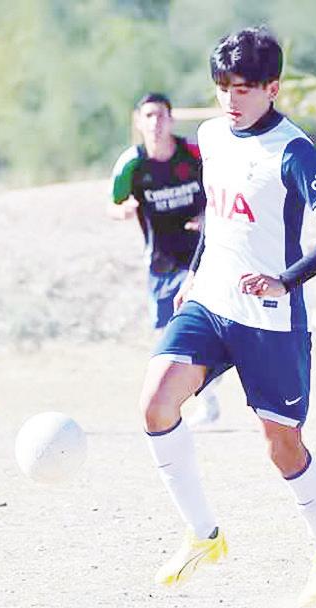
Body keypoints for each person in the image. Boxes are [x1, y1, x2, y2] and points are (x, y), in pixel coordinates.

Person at [138, 27, 316, 607]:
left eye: (243, 89)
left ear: (272, 88)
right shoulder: (211, 136)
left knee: (282, 447)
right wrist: (193, 276)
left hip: (269, 320)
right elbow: (218, 219)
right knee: (156, 403)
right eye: (222, 88)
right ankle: (203, 535)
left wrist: (286, 280)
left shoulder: (294, 151)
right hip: (211, 302)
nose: (230, 100)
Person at [109, 93, 220, 427]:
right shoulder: (132, 164)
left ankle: (207, 395)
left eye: (161, 116)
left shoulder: (193, 154)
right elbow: (113, 203)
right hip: (161, 260)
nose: (155, 123)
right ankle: (207, 394)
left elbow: (222, 190)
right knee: (167, 335)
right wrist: (123, 210)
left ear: (171, 120)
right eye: (149, 116)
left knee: (196, 324)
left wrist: (207, 216)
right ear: (139, 122)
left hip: (201, 256)